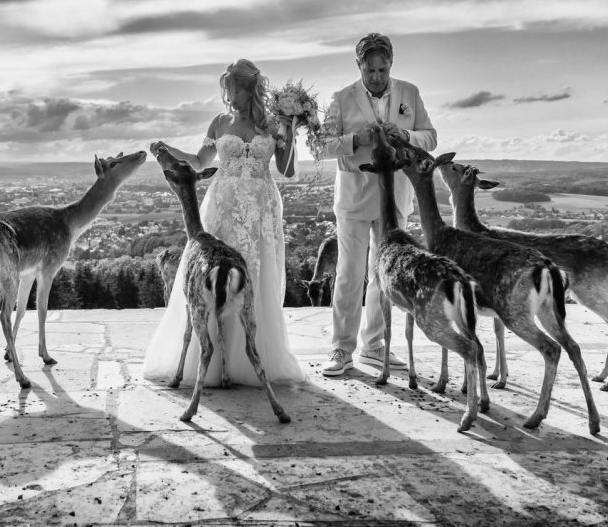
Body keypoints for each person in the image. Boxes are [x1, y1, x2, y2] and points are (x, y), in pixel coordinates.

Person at [144, 58, 307, 386]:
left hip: (261, 209)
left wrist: (291, 130)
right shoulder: (219, 122)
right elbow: (199, 160)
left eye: (233, 89)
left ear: (250, 90)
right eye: (226, 89)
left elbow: (287, 170)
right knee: (214, 275)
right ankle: (212, 363)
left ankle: (250, 361)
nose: (228, 96)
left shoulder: (273, 124)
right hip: (223, 206)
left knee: (257, 276)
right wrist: (167, 149)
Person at [316, 33, 437, 377]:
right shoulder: (341, 98)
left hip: (394, 197)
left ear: (391, 65)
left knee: (383, 277)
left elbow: (430, 136)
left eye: (383, 70)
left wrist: (406, 137)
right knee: (349, 274)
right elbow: (322, 146)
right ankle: (341, 347)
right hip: (354, 197)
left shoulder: (410, 93)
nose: (377, 77)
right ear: (359, 66)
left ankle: (374, 344)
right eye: (370, 70)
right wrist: (357, 140)